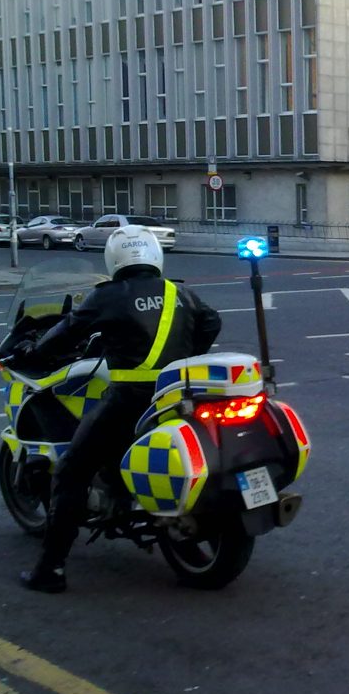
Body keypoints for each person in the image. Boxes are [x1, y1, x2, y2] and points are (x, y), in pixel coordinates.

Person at [13, 225, 222, 593]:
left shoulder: (106, 295)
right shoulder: (180, 292)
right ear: (154, 255)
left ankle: (51, 571)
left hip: (130, 400)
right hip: (176, 396)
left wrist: (34, 351)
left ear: (114, 260)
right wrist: (184, 357)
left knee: (71, 472)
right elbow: (211, 322)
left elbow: (67, 332)